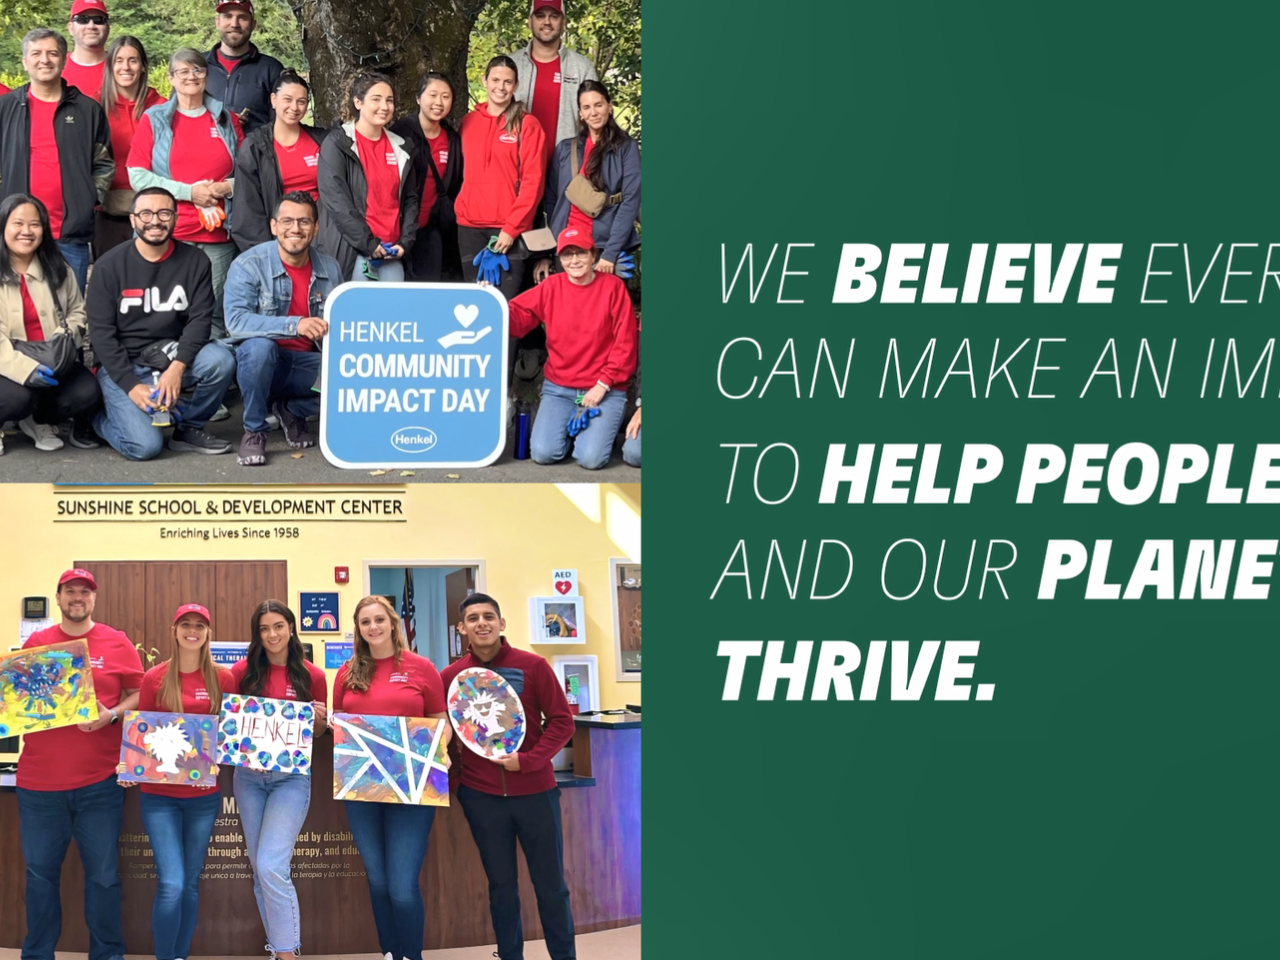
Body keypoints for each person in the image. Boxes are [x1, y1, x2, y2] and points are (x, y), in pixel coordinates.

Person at [441, 593, 577, 960]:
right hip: (481, 798)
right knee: (501, 887)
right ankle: (509, 954)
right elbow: (440, 732)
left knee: (551, 888)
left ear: (502, 624)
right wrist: (458, 784)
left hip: (536, 793)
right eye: (473, 618)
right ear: (462, 628)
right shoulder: (451, 677)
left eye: (488, 616)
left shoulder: (533, 666)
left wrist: (529, 760)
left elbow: (563, 722)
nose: (481, 623)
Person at [16, 568, 143, 960]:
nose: (78, 597)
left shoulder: (117, 642)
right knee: (39, 878)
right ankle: (37, 954)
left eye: (84, 592)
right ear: (58, 597)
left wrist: (112, 715)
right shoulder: (37, 643)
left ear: (94, 598)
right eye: (70, 591)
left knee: (104, 879)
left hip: (99, 785)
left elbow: (139, 694)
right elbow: (22, 700)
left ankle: (107, 955)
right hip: (39, 785)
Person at [332, 596, 448, 960]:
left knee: (401, 886)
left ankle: (411, 955)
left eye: (379, 619)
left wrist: (429, 752)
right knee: (378, 880)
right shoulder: (347, 672)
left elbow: (442, 723)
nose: (373, 627)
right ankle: (389, 952)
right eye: (365, 622)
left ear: (393, 623)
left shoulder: (422, 668)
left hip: (411, 786)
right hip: (361, 787)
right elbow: (338, 721)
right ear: (358, 629)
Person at [86, 186, 236, 459]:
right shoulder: (109, 266)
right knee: (145, 447)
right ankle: (96, 419)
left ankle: (189, 428)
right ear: (133, 219)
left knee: (221, 360)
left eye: (164, 213)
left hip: (170, 357)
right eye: (146, 213)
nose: (155, 220)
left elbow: (200, 321)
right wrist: (130, 384)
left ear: (176, 218)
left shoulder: (195, 261)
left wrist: (177, 369)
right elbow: (101, 334)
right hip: (124, 364)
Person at [132, 603, 236, 960]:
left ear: (208, 633)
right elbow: (143, 736)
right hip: (158, 796)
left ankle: (179, 955)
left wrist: (219, 754)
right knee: (172, 883)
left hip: (203, 797)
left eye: (200, 625)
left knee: (190, 884)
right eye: (186, 624)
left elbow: (229, 735)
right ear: (175, 631)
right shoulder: (154, 679)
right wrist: (132, 764)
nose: (193, 630)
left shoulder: (223, 680)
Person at [229, 600, 328, 960]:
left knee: (271, 865)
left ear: (291, 628)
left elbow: (317, 734)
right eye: (264, 628)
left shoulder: (312, 675)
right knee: (260, 871)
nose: (272, 635)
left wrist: (319, 720)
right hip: (249, 779)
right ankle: (279, 948)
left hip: (291, 780)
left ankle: (288, 953)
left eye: (278, 626)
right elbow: (231, 723)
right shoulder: (242, 672)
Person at [128, 47, 244, 341]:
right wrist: (188, 192)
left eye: (198, 70)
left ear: (206, 76)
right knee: (165, 313)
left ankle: (214, 379)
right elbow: (137, 175)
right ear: (171, 78)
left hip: (218, 237)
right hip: (170, 233)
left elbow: (249, 174)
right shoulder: (154, 119)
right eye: (183, 71)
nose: (191, 77)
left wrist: (225, 187)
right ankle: (166, 379)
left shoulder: (227, 119)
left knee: (213, 314)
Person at [225, 192, 341, 466]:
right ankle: (255, 430)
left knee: (353, 375)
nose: (295, 229)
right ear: (274, 226)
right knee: (258, 348)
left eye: (304, 222)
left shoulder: (330, 268)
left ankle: (291, 409)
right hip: (263, 364)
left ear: (316, 227)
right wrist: (295, 325)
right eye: (287, 221)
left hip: (306, 364)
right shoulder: (248, 265)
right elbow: (236, 322)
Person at [507, 226, 637, 469]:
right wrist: (487, 302)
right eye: (567, 255)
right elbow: (517, 318)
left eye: (581, 253)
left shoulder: (613, 287)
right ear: (560, 258)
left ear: (593, 255)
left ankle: (587, 435)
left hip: (603, 390)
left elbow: (626, 344)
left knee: (591, 459)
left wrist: (603, 384)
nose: (574, 260)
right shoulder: (551, 286)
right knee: (543, 453)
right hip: (560, 388)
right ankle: (570, 431)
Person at [0, 29, 113, 293]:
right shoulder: (5, 108)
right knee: (18, 315)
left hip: (69, 233)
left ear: (63, 60)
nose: (45, 60)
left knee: (70, 316)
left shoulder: (87, 110)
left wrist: (89, 200)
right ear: (25, 61)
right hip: (16, 234)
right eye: (36, 54)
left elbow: (104, 163)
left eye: (52, 53)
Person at [0, 195, 102, 454]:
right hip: (7, 364)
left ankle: (37, 420)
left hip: (51, 358)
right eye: (18, 223)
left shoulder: (58, 269)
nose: (26, 231)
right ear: (3, 226)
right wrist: (26, 369)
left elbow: (78, 311)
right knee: (17, 398)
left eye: (35, 224)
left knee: (86, 391)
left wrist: (64, 341)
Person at [456, 56, 546, 302]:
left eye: (508, 82)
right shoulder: (468, 122)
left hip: (506, 230)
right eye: (495, 80)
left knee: (505, 308)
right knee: (475, 305)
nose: (501, 87)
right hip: (468, 227)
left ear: (516, 86)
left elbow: (533, 183)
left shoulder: (527, 124)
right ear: (484, 81)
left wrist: (511, 229)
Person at [317, 72, 417, 283]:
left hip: (391, 252)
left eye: (389, 100)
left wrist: (406, 243)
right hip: (352, 251)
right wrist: (369, 244)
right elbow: (336, 201)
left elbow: (410, 201)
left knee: (392, 314)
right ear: (358, 102)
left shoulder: (402, 146)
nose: (384, 106)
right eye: (376, 99)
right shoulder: (338, 143)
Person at [541, 80, 640, 278]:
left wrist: (611, 254)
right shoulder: (565, 149)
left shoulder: (625, 148)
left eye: (598, 105)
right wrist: (555, 243)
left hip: (605, 247)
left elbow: (631, 200)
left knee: (607, 308)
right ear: (580, 113)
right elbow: (551, 199)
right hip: (568, 247)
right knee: (569, 309)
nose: (593, 112)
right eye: (586, 107)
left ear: (609, 107)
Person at [231, 70, 327, 251]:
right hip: (278, 237)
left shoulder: (322, 141)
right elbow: (248, 208)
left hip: (321, 235)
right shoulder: (256, 146)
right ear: (274, 100)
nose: (295, 107)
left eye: (301, 102)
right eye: (288, 99)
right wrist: (268, 254)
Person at [390, 72, 462, 282]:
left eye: (445, 97)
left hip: (433, 228)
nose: (438, 102)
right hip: (399, 227)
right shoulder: (400, 134)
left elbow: (456, 184)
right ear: (418, 98)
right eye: (432, 95)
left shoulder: (452, 139)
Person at [97, 35, 166, 254]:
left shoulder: (162, 108)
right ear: (110, 66)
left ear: (143, 67)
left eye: (133, 60)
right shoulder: (94, 107)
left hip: (155, 209)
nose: (125, 67)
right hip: (108, 210)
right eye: (119, 60)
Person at [508, 0, 598, 163]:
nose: (547, 22)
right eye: (540, 16)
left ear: (563, 22)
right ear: (530, 21)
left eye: (554, 16)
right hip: (518, 164)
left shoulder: (581, 67)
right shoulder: (511, 65)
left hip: (567, 167)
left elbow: (596, 122)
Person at [204, 0, 283, 135]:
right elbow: (178, 117)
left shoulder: (271, 69)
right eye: (228, 16)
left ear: (253, 25)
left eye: (242, 17)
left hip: (255, 153)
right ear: (217, 22)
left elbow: (283, 125)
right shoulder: (196, 66)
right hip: (203, 152)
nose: (234, 24)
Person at [62, 0, 111, 101]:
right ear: (70, 28)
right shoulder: (55, 67)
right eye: (82, 20)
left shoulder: (122, 68)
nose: (91, 26)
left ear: (108, 28)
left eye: (98, 20)